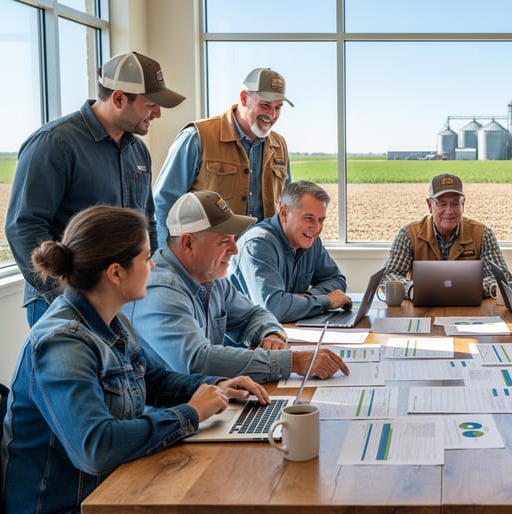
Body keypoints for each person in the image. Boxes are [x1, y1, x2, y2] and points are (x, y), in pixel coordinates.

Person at [0, 205, 269, 513]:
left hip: (114, 488)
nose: (153, 266)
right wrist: (190, 413)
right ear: (115, 273)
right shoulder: (62, 344)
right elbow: (96, 447)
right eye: (145, 257)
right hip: (70, 506)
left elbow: (154, 380)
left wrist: (218, 386)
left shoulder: (113, 320)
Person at [5, 51, 185, 327]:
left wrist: (151, 279)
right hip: (62, 307)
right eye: (151, 104)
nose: (158, 113)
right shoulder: (54, 144)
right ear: (119, 98)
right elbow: (24, 228)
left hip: (121, 302)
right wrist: (67, 296)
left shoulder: (138, 151)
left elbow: (146, 221)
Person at [126, 190, 348, 384]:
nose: (234, 249)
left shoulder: (211, 277)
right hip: (169, 416)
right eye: (224, 241)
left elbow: (254, 314)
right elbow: (198, 361)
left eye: (234, 239)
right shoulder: (162, 290)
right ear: (188, 243)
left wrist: (270, 334)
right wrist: (292, 361)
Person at [153, 67, 293, 246]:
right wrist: (166, 256)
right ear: (244, 98)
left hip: (261, 257)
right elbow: (165, 200)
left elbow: (287, 208)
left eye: (278, 107)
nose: (271, 114)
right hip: (207, 259)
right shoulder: (197, 137)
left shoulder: (280, 145)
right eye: (265, 105)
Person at [229, 180, 352, 322]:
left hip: (282, 332)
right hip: (247, 341)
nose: (317, 228)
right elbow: (274, 308)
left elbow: (337, 280)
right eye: (309, 218)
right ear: (284, 213)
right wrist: (326, 301)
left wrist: (308, 296)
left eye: (321, 220)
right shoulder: (258, 244)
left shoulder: (311, 241)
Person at [381, 173, 512, 299]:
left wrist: (473, 288)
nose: (449, 211)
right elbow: (388, 276)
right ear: (429, 205)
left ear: (463, 204)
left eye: (455, 203)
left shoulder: (482, 234)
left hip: (470, 312)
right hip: (424, 311)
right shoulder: (409, 235)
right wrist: (411, 289)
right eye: (442, 203)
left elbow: (503, 278)